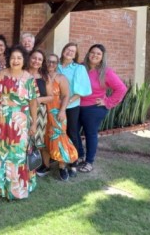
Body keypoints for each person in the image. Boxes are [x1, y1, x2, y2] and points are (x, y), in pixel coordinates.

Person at [0, 45, 38, 200]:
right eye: (13, 58)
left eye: (19, 58)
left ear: (24, 60)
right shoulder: (0, 76)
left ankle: (19, 189)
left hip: (21, 121)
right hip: (2, 120)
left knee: (19, 155)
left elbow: (33, 102)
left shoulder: (29, 79)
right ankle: (4, 189)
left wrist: (34, 123)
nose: (16, 60)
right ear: (8, 59)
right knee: (3, 154)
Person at [78, 44, 127, 173]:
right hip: (76, 106)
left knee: (90, 134)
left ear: (102, 57)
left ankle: (89, 162)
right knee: (72, 132)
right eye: (92, 52)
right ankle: (79, 155)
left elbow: (121, 89)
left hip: (94, 108)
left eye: (98, 54)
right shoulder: (81, 67)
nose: (95, 55)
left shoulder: (106, 72)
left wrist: (108, 102)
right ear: (88, 53)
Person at [37, 54, 78, 181]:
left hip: (56, 112)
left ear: (57, 64)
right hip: (42, 112)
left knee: (59, 138)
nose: (50, 64)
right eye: (48, 61)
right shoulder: (40, 77)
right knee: (43, 139)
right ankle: (46, 165)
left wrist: (62, 111)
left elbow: (66, 96)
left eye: (54, 62)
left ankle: (62, 166)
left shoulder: (61, 78)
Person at [57, 43, 92, 174]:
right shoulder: (56, 66)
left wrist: (67, 102)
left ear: (75, 54)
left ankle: (73, 161)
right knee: (57, 132)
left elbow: (82, 90)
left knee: (72, 133)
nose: (70, 52)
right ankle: (59, 158)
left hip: (72, 105)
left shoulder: (79, 68)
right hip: (55, 105)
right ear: (63, 50)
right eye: (68, 49)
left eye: (73, 51)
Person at [28, 49, 53, 149]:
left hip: (39, 112)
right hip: (22, 111)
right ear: (29, 58)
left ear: (42, 63)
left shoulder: (45, 77)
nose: (36, 61)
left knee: (35, 140)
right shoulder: (22, 74)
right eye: (34, 58)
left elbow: (51, 97)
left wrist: (38, 100)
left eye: (39, 59)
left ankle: (33, 163)